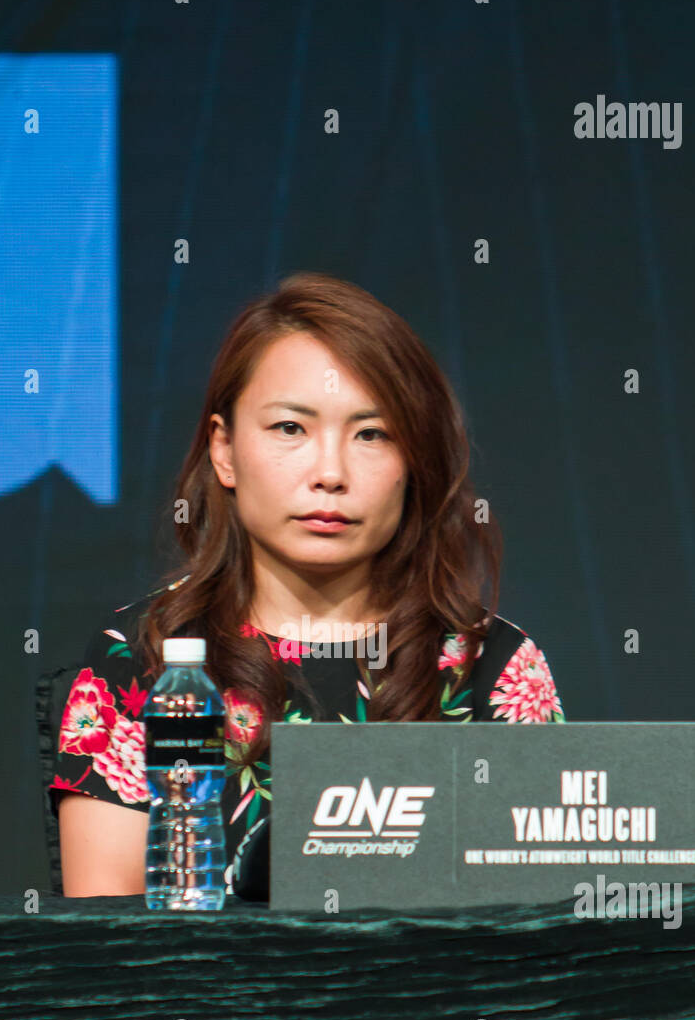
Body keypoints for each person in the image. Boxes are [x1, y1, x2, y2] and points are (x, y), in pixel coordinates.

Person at [50, 272, 565, 899]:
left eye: (372, 434)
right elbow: (104, 941)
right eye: (291, 428)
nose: (330, 473)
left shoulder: (491, 667)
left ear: (415, 462)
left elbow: (542, 924)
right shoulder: (146, 659)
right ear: (225, 450)